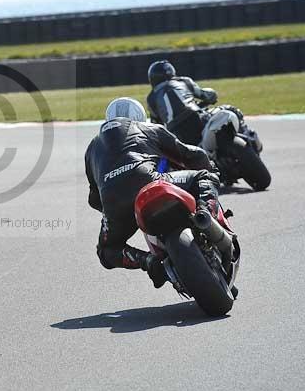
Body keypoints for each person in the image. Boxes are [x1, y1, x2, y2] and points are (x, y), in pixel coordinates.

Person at [84, 97, 221, 287]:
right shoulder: (148, 128)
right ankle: (206, 215)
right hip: (149, 181)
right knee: (203, 176)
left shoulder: (91, 148)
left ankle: (148, 261)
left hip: (113, 202)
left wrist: (115, 211)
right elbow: (193, 154)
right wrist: (211, 169)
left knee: (107, 251)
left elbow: (93, 198)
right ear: (140, 116)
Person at [145, 60, 218, 146]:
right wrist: (212, 96)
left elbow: (156, 125)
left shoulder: (151, 98)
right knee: (224, 113)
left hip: (175, 132)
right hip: (196, 117)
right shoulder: (183, 81)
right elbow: (207, 95)